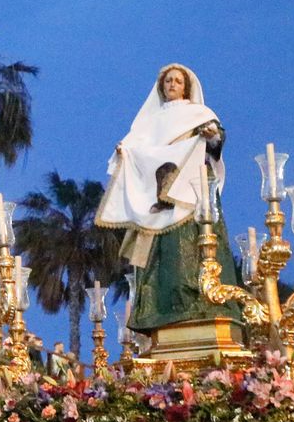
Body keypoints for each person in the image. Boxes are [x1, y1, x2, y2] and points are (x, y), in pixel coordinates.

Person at [94, 63, 244, 333]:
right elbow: (136, 150)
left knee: (194, 248)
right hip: (160, 203)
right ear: (161, 87)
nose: (172, 85)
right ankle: (165, 309)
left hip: (192, 195)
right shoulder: (149, 122)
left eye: (177, 81)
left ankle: (202, 302)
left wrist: (211, 137)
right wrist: (124, 154)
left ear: (186, 86)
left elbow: (215, 143)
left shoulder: (198, 114)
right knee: (163, 256)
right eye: (168, 81)